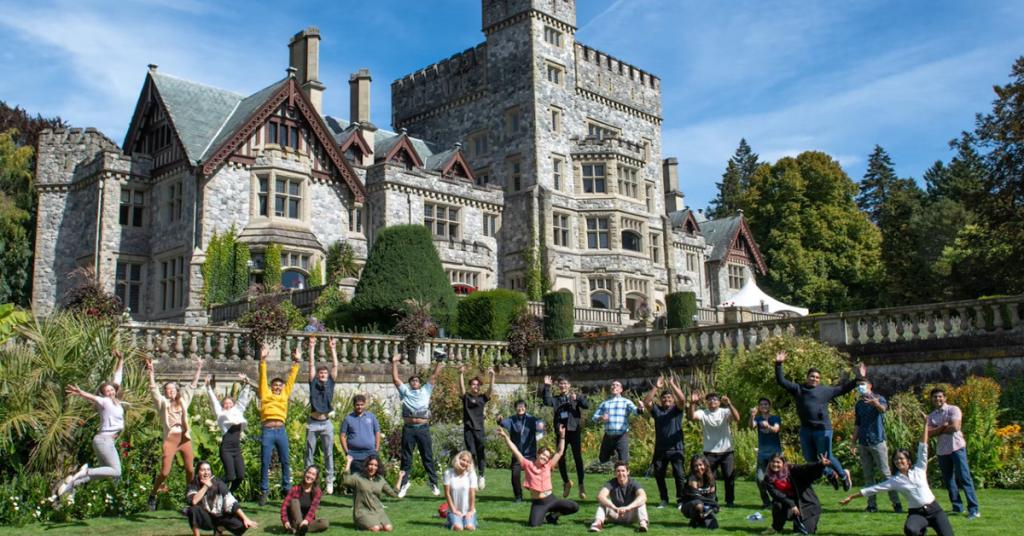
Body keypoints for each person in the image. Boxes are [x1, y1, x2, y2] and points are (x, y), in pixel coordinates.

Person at [841, 415, 954, 536]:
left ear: (908, 461)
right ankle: (921, 529)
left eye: (901, 459)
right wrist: (852, 497)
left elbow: (923, 446)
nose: (899, 461)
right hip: (917, 513)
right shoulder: (895, 480)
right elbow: (873, 489)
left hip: (935, 510)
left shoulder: (920, 468)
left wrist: (925, 425)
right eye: (896, 460)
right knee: (910, 529)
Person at [775, 350, 864, 490]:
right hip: (806, 430)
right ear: (807, 377)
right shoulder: (798, 389)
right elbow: (781, 381)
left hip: (823, 430)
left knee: (826, 457)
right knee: (811, 460)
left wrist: (858, 378)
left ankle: (843, 475)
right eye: (812, 376)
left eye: (817, 377)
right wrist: (779, 364)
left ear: (819, 380)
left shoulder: (825, 391)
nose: (814, 379)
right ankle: (830, 475)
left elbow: (843, 389)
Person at [53, 351, 126, 503]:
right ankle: (85, 471)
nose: (111, 391)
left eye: (112, 390)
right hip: (105, 441)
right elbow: (93, 397)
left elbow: (117, 377)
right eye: (107, 391)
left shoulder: (115, 400)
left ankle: (70, 486)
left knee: (103, 473)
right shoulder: (104, 401)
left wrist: (121, 360)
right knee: (116, 471)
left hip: (104, 441)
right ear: (103, 394)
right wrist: (80, 393)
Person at [146, 356, 204, 510]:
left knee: (191, 469)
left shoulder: (184, 400)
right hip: (171, 439)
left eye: (172, 389)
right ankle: (152, 494)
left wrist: (199, 368)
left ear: (176, 391)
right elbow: (153, 389)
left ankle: (190, 494)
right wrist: (151, 371)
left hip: (184, 438)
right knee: (165, 472)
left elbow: (192, 385)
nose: (170, 391)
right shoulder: (162, 403)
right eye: (167, 390)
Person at [496, 423, 579, 527]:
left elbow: (559, 452)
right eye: (543, 455)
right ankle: (545, 515)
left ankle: (553, 516)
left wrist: (562, 436)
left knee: (574, 506)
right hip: (539, 503)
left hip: (551, 499)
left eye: (547, 457)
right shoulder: (527, 464)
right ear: (538, 454)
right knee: (534, 525)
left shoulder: (549, 466)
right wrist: (505, 436)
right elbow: (515, 450)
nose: (545, 458)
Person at [391, 352, 444, 497]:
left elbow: (434, 376)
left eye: (416, 380)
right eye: (412, 380)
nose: (414, 382)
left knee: (427, 456)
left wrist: (439, 361)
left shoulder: (425, 390)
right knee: (406, 458)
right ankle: (404, 484)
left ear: (420, 383)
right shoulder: (405, 391)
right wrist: (394, 362)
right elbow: (395, 379)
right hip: (409, 429)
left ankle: (433, 483)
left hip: (423, 429)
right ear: (410, 383)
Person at [258, 342, 302, 505]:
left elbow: (291, 379)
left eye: (279, 385)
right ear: (271, 387)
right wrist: (263, 360)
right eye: (275, 385)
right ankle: (264, 490)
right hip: (268, 430)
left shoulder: (284, 394)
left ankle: (286, 488)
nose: (277, 387)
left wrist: (296, 362)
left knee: (285, 459)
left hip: (280, 430)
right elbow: (262, 377)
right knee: (265, 460)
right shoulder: (265, 393)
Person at [927, 387, 980, 519]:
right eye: (935, 397)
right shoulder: (931, 416)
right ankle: (957, 507)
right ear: (932, 399)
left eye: (940, 396)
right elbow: (928, 433)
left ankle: (974, 509)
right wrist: (944, 426)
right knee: (949, 480)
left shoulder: (953, 409)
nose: (938, 399)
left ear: (945, 398)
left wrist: (938, 429)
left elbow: (955, 427)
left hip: (957, 448)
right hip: (942, 451)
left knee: (964, 478)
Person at [851, 379, 903, 513]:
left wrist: (875, 403)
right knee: (868, 476)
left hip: (878, 442)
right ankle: (872, 505)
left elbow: (883, 410)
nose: (860, 387)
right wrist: (853, 442)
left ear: (870, 386)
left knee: (885, 474)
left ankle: (896, 504)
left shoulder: (880, 398)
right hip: (863, 443)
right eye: (858, 386)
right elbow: (857, 424)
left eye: (862, 385)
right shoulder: (859, 404)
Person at [687, 390, 740, 507]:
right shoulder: (703, 413)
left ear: (719, 402)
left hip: (727, 451)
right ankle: (712, 499)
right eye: (710, 399)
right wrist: (692, 404)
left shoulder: (725, 411)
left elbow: (737, 418)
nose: (712, 401)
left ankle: (730, 501)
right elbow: (691, 417)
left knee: (729, 477)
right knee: (710, 478)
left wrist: (730, 404)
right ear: (706, 402)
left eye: (715, 399)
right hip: (710, 452)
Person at [640, 374, 687, 508]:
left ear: (673, 400)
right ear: (661, 400)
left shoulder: (677, 410)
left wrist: (672, 385)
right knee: (659, 475)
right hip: (660, 449)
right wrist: (656, 387)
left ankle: (681, 500)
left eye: (669, 398)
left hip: (676, 448)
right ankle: (664, 499)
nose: (666, 399)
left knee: (679, 475)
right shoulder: (658, 411)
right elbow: (646, 402)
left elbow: (682, 399)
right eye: (664, 397)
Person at [205, 372, 255, 492]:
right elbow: (214, 401)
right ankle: (209, 487)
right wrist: (208, 387)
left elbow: (242, 399)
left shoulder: (238, 411)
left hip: (236, 448)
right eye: (225, 403)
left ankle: (229, 494)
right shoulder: (220, 413)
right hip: (226, 448)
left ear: (233, 404)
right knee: (230, 476)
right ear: (223, 405)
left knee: (241, 476)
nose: (228, 405)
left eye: (230, 403)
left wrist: (246, 382)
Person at [541, 374, 590, 499]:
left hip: (574, 431)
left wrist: (578, 398)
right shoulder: (556, 399)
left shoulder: (574, 397)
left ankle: (581, 485)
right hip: (561, 432)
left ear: (569, 385)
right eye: (560, 384)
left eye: (565, 383)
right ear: (558, 386)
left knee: (577, 457)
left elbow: (586, 405)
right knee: (560, 457)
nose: (562, 386)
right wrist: (547, 386)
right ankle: (566, 482)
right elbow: (547, 401)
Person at [762, 453, 831, 535]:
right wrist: (792, 504)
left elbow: (805, 468)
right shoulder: (768, 477)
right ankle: (776, 527)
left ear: (783, 463)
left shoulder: (791, 469)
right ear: (769, 463)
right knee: (778, 504)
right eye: (773, 462)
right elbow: (776, 494)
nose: (775, 464)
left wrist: (820, 464)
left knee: (805, 532)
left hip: (807, 504)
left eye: (778, 462)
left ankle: (800, 523)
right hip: (787, 504)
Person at [185, 460, 258, 536]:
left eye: (208, 469)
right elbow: (193, 501)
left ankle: (219, 529)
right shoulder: (194, 484)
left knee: (243, 524)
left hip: (220, 517)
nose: (206, 473)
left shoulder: (218, 483)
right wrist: (205, 486)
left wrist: (246, 518)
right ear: (198, 472)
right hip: (206, 519)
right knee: (193, 510)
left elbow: (231, 502)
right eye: (203, 470)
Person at [306, 337, 339, 494]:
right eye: (321, 373)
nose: (323, 374)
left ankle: (329, 480)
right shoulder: (313, 382)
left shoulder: (331, 382)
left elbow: (336, 365)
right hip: (312, 422)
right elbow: (311, 365)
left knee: (328, 452)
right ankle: (308, 481)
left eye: (325, 373)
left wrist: (332, 348)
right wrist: (312, 347)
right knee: (309, 452)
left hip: (326, 423)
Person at [497, 400, 545, 502]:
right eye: (518, 406)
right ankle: (518, 496)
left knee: (534, 476)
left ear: (526, 408)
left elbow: (540, 424)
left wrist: (541, 428)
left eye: (522, 406)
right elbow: (502, 422)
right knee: (515, 475)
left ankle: (537, 495)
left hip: (530, 454)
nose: (520, 408)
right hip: (517, 454)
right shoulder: (512, 420)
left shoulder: (531, 419)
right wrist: (499, 420)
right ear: (515, 408)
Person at [459, 365, 494, 489]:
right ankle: (472, 475)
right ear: (471, 386)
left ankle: (482, 475)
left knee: (481, 453)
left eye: (477, 384)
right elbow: (462, 389)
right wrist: (461, 374)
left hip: (479, 430)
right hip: (468, 430)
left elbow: (490, 390)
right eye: (473, 384)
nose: (475, 386)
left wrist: (492, 377)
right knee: (471, 453)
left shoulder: (482, 398)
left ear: (479, 387)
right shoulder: (466, 397)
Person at [343, 454, 400, 532]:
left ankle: (376, 522)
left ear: (378, 467)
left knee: (388, 528)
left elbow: (393, 493)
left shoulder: (380, 479)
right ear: (366, 465)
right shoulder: (358, 477)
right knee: (376, 528)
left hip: (378, 511)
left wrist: (400, 477)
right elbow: (346, 481)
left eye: (375, 465)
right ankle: (360, 524)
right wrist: (349, 462)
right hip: (362, 512)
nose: (373, 467)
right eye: (370, 464)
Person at [588, 461, 649, 532]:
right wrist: (615, 508)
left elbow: (643, 496)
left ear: (628, 472)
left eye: (623, 471)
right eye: (618, 471)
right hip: (616, 513)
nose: (621, 473)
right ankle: (597, 524)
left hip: (630, 515)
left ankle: (643, 524)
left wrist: (627, 508)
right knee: (603, 503)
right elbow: (600, 496)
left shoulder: (633, 483)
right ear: (615, 473)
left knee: (641, 502)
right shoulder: (611, 483)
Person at [591, 380, 639, 465]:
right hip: (608, 436)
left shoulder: (626, 402)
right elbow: (594, 417)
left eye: (617, 385)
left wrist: (641, 408)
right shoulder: (605, 403)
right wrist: (601, 417)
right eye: (612, 385)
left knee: (624, 461)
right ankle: (607, 476)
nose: (614, 387)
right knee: (603, 459)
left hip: (621, 436)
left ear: (621, 389)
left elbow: (636, 411)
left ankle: (623, 477)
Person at [752, 397, 783, 508]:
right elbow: (751, 426)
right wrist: (752, 416)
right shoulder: (758, 418)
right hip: (762, 453)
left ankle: (779, 501)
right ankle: (766, 502)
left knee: (778, 479)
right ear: (759, 407)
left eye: (766, 404)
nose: (764, 406)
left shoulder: (775, 418)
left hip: (775, 454)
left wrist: (768, 426)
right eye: (761, 405)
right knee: (760, 479)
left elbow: (776, 429)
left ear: (769, 406)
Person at [340, 393, 381, 476]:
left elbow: (377, 432)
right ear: (354, 405)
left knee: (370, 476)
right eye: (357, 405)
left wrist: (376, 448)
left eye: (362, 405)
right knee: (356, 477)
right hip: (354, 454)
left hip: (370, 453)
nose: (360, 407)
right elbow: (342, 435)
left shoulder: (371, 417)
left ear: (365, 405)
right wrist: (346, 451)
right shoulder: (348, 418)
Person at [281, 465, 329, 535]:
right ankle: (297, 528)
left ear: (315, 478)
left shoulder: (317, 492)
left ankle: (298, 529)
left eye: (313, 474)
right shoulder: (295, 489)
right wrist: (285, 521)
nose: (310, 476)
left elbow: (313, 509)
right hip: (294, 520)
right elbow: (284, 506)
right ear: (305, 473)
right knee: (294, 501)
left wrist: (306, 521)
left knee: (324, 523)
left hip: (306, 522)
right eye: (309, 472)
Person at [679, 455, 719, 530]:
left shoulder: (711, 478)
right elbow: (696, 497)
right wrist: (715, 504)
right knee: (698, 504)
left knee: (713, 526)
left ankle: (701, 519)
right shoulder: (691, 478)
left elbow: (712, 496)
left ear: (705, 465)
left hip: (706, 504)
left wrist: (712, 507)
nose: (698, 468)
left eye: (700, 465)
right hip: (689, 505)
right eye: (695, 466)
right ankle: (694, 521)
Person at [443, 450, 479, 531]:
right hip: (454, 510)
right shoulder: (448, 473)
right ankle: (450, 522)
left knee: (469, 528)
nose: (465, 463)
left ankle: (472, 521)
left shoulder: (471, 474)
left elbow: (472, 494)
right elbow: (447, 493)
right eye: (463, 460)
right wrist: (454, 510)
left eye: (468, 462)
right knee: (458, 528)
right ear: (458, 459)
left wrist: (470, 511)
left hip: (468, 510)